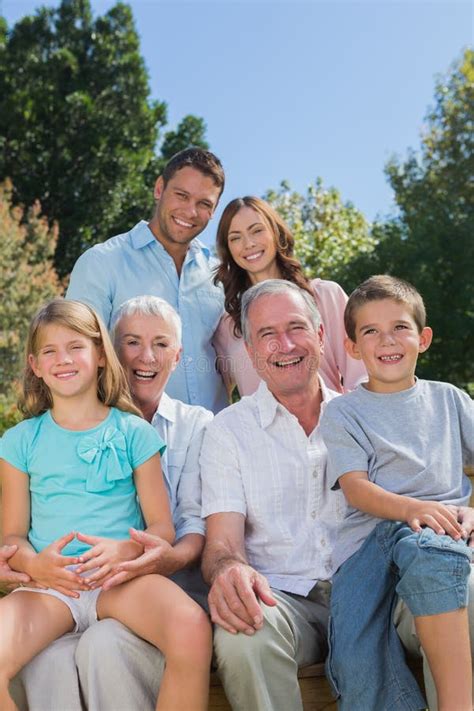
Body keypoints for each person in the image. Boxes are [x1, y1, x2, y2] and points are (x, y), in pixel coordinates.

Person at [0, 299, 211, 711]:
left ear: (100, 354)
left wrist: (126, 549)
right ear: (35, 364)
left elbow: (161, 528)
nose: (63, 359)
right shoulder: (20, 441)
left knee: (190, 627)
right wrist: (35, 565)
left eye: (75, 346)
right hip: (51, 589)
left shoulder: (134, 433)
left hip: (120, 581)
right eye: (49, 351)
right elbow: (11, 535)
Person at [320, 275, 473, 711]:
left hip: (440, 537)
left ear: (423, 338)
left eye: (400, 328)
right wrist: (418, 510)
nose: (387, 340)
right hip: (370, 544)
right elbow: (357, 490)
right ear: (352, 348)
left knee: (429, 548)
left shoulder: (450, 400)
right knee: (356, 658)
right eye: (370, 331)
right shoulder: (344, 411)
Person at [201, 279, 347, 710]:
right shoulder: (228, 431)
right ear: (250, 352)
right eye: (267, 334)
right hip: (283, 601)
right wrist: (229, 570)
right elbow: (222, 544)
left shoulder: (360, 416)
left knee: (458, 592)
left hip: (372, 593)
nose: (284, 345)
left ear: (321, 335)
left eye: (296, 328)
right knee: (243, 633)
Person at [67, 147, 227, 413]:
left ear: (214, 210)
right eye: (181, 195)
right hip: (132, 440)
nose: (190, 211)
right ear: (159, 188)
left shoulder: (220, 274)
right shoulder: (101, 263)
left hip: (215, 439)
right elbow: (78, 361)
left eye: (204, 204)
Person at [212, 196, 366, 396]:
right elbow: (214, 394)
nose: (248, 243)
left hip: (330, 424)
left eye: (257, 231)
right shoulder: (228, 325)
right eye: (235, 237)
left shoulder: (326, 296)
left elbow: (361, 375)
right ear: (228, 249)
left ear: (276, 233)